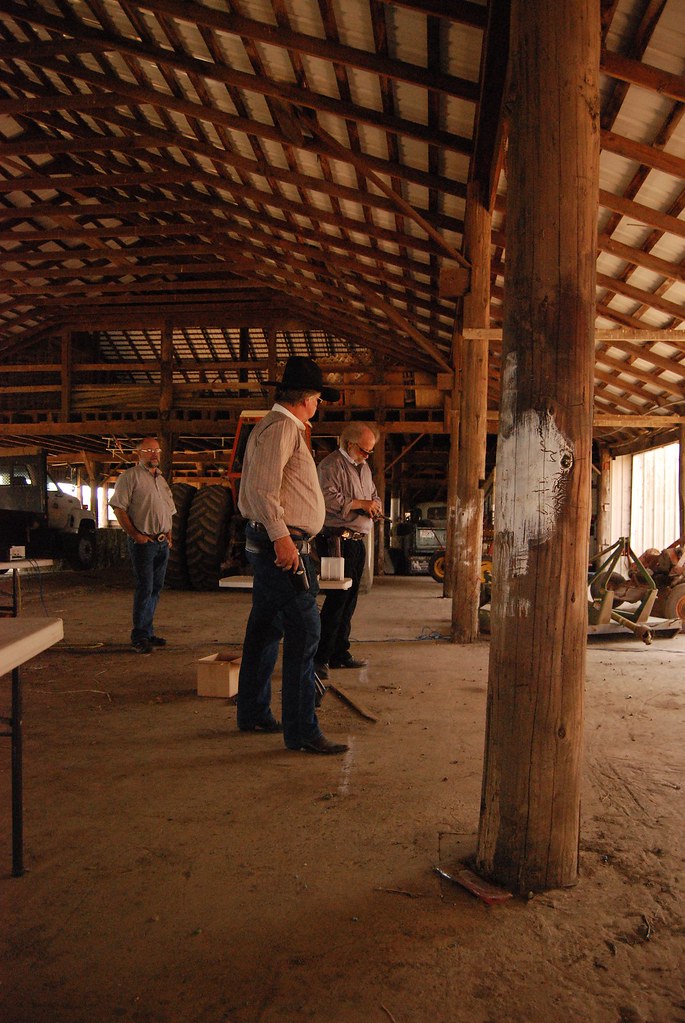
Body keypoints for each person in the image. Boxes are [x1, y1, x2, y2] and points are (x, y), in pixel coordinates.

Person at [236, 356, 349, 756]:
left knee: (265, 629)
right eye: (318, 398)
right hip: (282, 547)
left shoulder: (279, 427)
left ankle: (252, 711)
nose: (319, 405)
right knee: (306, 633)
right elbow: (266, 490)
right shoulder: (282, 427)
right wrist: (283, 539)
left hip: (273, 542)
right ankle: (301, 730)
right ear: (308, 398)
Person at [314, 423, 382, 680]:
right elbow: (326, 498)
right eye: (365, 451)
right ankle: (320, 657)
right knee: (336, 599)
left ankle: (339, 653)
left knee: (351, 598)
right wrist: (357, 504)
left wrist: (373, 505)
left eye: (370, 452)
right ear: (349, 444)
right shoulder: (330, 466)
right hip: (336, 540)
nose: (367, 456)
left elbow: (372, 494)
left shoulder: (363, 468)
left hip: (356, 540)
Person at [110, 438, 176, 654]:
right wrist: (136, 535)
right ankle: (139, 636)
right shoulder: (129, 477)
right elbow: (119, 508)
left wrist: (168, 534)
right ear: (138, 454)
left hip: (160, 543)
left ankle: (147, 631)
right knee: (145, 587)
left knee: (156, 588)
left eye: (157, 450)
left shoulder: (161, 480)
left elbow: (168, 511)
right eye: (148, 450)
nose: (154, 454)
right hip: (144, 543)